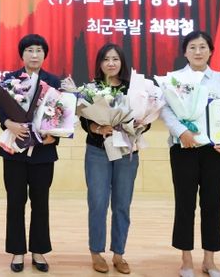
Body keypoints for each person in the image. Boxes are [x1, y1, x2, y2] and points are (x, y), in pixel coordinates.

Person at [160, 31, 220, 277]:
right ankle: (186, 260)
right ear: (185, 52)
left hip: (215, 151)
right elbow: (166, 110)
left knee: (212, 204)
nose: (198, 51)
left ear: (211, 51)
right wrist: (181, 132)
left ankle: (209, 261)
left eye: (203, 47)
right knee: (185, 204)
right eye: (192, 47)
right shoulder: (174, 79)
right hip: (184, 148)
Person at [0, 34, 60, 273]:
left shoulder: (53, 81)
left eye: (39, 50)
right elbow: (0, 109)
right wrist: (8, 124)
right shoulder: (10, 79)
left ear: (45, 55)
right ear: (22, 54)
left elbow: (61, 113)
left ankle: (38, 250)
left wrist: (54, 135)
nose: (34, 55)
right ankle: (17, 251)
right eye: (30, 50)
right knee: (15, 201)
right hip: (15, 150)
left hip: (43, 151)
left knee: (40, 201)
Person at [80, 43, 143, 275]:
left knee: (122, 204)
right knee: (97, 202)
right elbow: (85, 120)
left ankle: (119, 254)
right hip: (98, 151)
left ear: (122, 62)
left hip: (126, 151)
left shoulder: (133, 89)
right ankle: (96, 252)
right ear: (99, 63)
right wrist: (98, 128)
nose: (111, 63)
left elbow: (143, 118)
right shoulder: (91, 89)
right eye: (106, 59)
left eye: (115, 59)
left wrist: (138, 125)